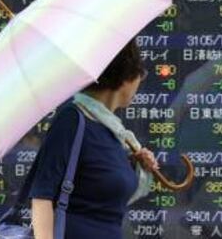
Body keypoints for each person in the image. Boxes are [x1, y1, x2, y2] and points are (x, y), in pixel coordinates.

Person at [28, 39, 159, 239]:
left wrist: (135, 167)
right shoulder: (72, 119)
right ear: (125, 75)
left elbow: (104, 195)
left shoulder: (113, 131)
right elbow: (41, 197)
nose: (140, 81)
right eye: (140, 73)